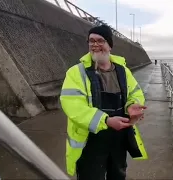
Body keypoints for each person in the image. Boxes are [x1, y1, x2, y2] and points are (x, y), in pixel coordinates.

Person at [60, 24, 148, 180]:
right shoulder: (76, 73)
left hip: (119, 138)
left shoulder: (123, 71)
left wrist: (132, 106)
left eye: (100, 40)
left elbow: (135, 93)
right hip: (91, 140)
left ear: (109, 45)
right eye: (91, 41)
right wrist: (105, 120)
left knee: (118, 175)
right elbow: (74, 106)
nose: (95, 45)